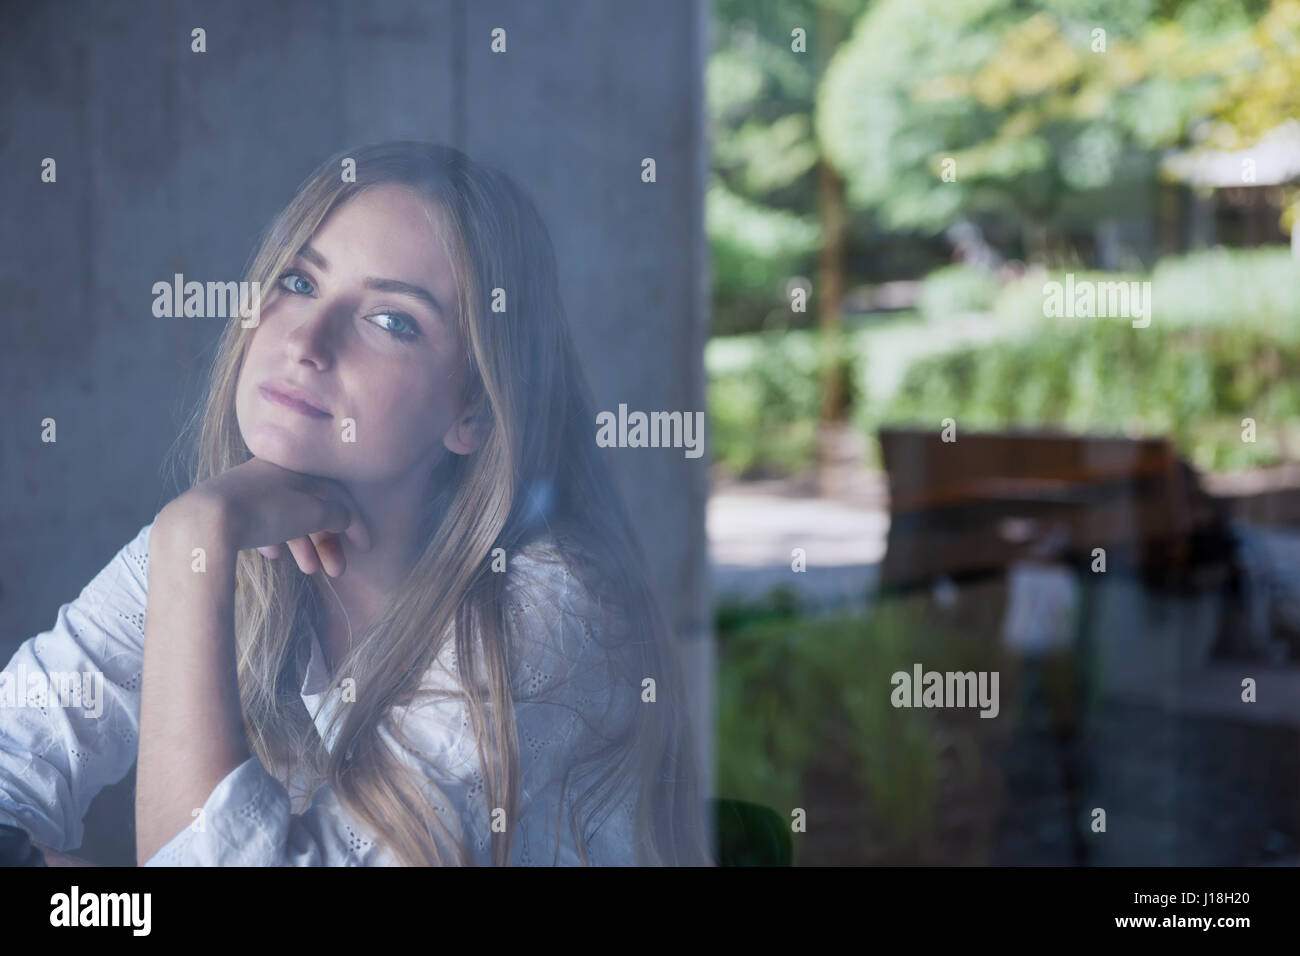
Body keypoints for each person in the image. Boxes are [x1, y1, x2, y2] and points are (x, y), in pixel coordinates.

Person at [0, 141, 713, 866]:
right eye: (300, 282)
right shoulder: (213, 553)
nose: (306, 340)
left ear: (473, 409)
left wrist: (196, 530)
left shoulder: (551, 613)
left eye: (392, 320)